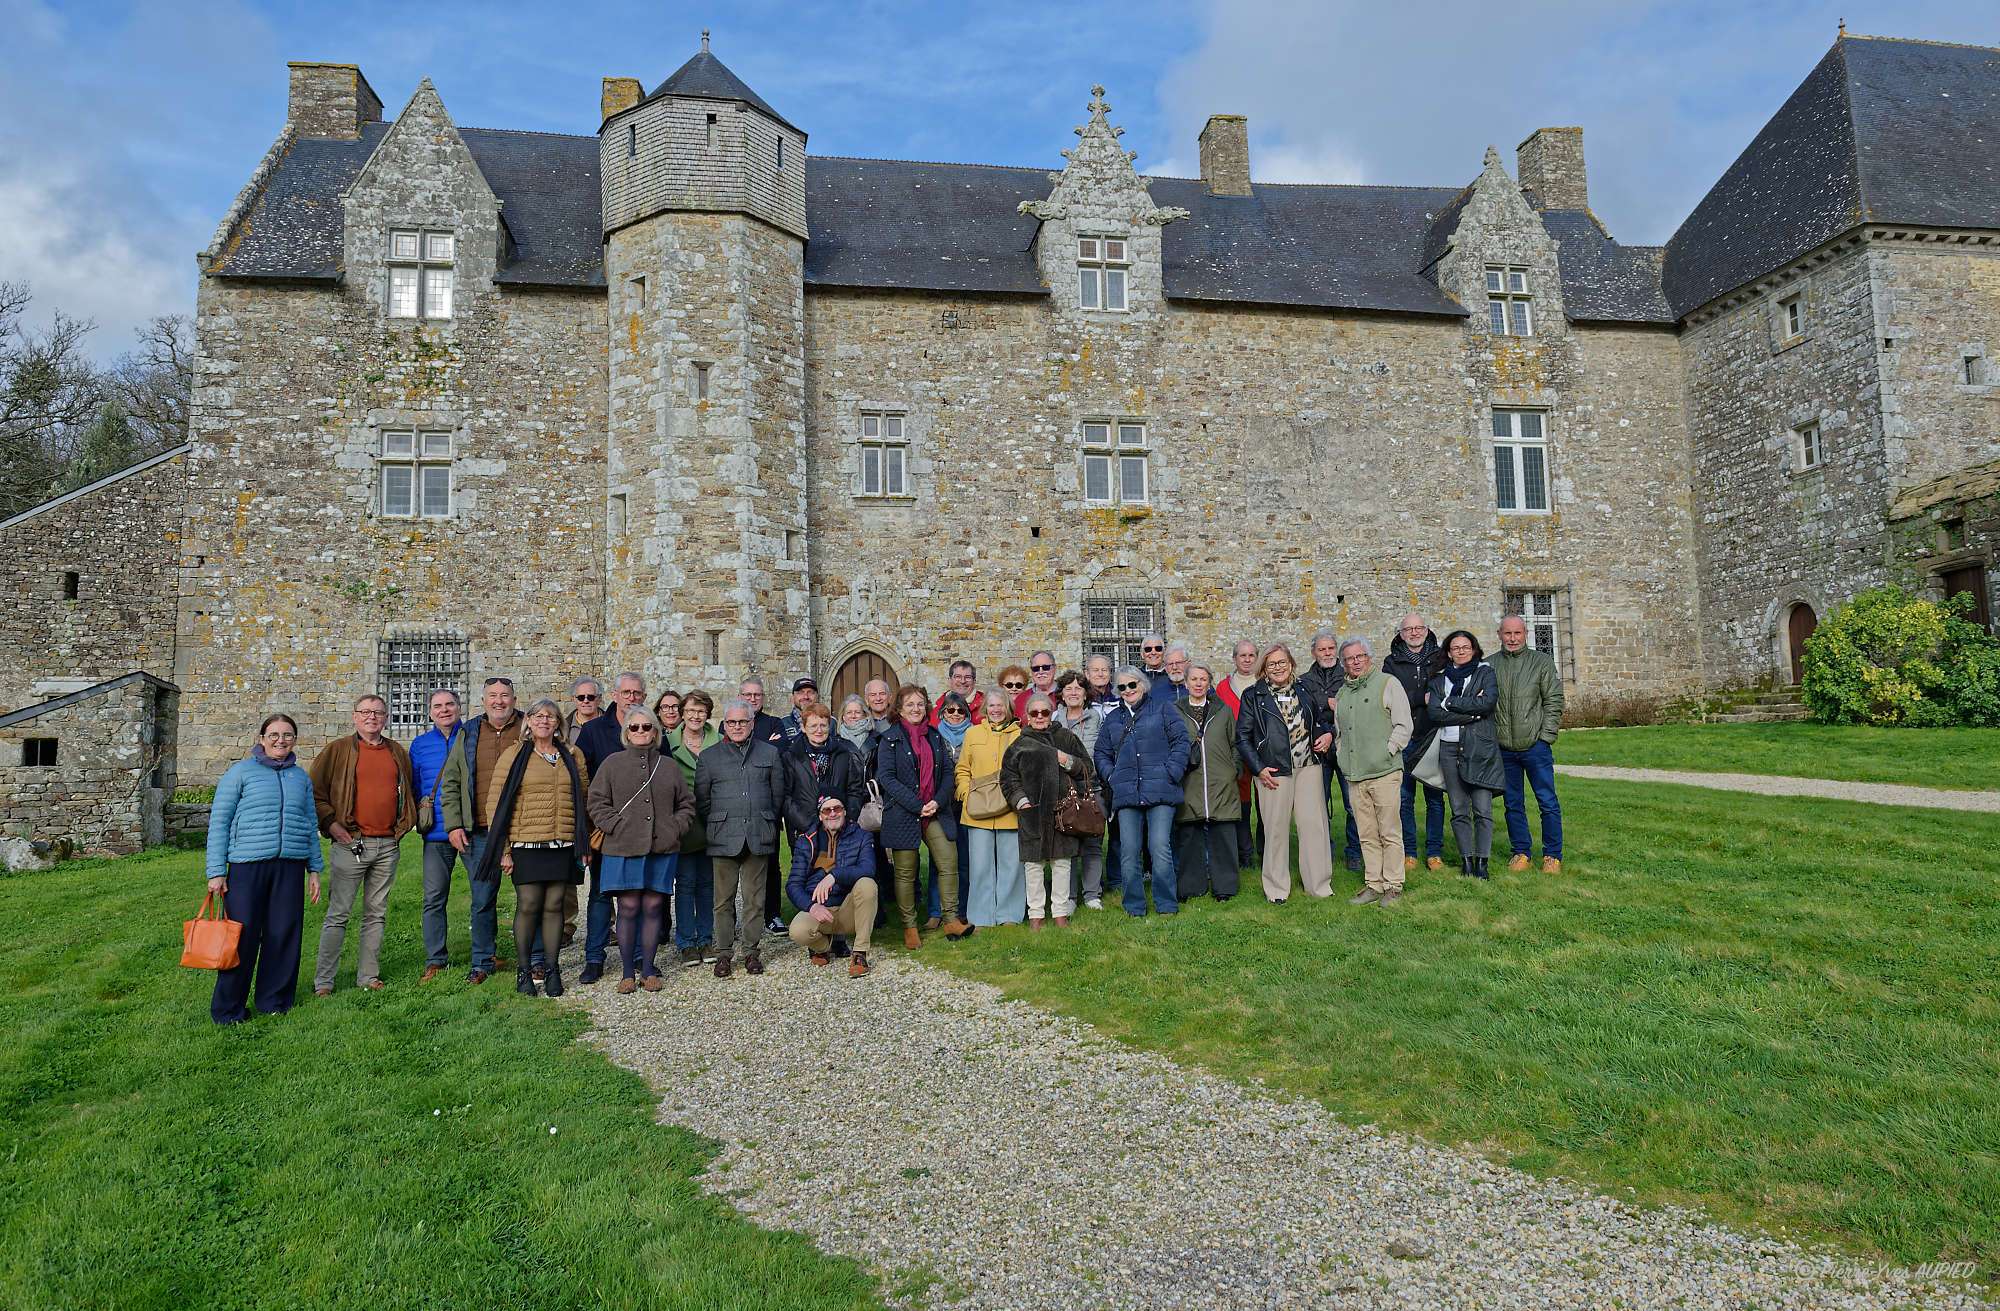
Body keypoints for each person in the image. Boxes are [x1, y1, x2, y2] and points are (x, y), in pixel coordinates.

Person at [205, 713, 324, 1024]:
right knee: (241, 937)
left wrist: (314, 868)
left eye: (287, 735)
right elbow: (219, 822)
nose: (280, 740)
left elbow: (310, 825)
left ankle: (275, 1001)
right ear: (261, 739)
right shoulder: (240, 774)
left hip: (290, 867)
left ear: (295, 740)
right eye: (274, 734)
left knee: (283, 934)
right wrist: (216, 872)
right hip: (247, 867)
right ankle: (229, 1010)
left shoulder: (300, 778)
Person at [475, 699, 590, 996]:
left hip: (562, 840)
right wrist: (504, 849)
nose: (544, 721)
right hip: (526, 840)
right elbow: (496, 803)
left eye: (550, 716)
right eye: (538, 716)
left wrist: (583, 840)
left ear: (557, 723)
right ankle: (524, 970)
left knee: (555, 906)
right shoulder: (514, 755)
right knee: (528, 904)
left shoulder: (571, 755)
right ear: (529, 721)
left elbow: (584, 798)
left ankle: (552, 968)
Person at [308, 693, 419, 996]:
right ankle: (324, 982)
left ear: (386, 718)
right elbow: (314, 793)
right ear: (355, 716)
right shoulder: (338, 750)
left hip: (386, 846)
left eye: (378, 713)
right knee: (338, 914)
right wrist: (332, 825)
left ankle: (368, 975)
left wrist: (400, 829)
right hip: (350, 844)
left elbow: (408, 792)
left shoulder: (397, 751)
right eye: (365, 712)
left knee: (376, 914)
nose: (372, 717)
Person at [588, 706, 695, 992]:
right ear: (626, 732)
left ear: (655, 732)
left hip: (661, 847)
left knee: (652, 906)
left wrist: (674, 827)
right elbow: (596, 801)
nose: (640, 732)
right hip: (622, 846)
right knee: (629, 905)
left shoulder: (668, 766)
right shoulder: (612, 763)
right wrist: (615, 825)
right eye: (634, 727)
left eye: (646, 727)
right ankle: (626, 973)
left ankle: (647, 969)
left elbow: (686, 804)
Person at [438, 676, 523, 983]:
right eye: (493, 696)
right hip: (481, 831)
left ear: (514, 699)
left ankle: (534, 958)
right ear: (483, 700)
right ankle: (483, 961)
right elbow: (451, 781)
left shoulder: (527, 728)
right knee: (482, 898)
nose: (499, 701)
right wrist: (454, 824)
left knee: (529, 897)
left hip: (522, 831)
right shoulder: (469, 732)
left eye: (504, 695)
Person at [1235, 644, 1335, 903]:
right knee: (1276, 830)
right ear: (1264, 669)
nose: (1278, 667)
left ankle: (1319, 885)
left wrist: (1326, 734)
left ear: (1291, 663)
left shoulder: (1305, 689)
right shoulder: (1253, 695)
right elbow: (1242, 737)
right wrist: (1258, 768)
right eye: (1272, 664)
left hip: (1308, 767)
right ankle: (1276, 888)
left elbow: (1321, 720)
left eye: (1282, 662)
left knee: (1314, 827)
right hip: (1273, 771)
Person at [875, 685, 972, 947]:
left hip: (935, 810)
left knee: (948, 862)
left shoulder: (934, 736)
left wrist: (937, 801)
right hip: (905, 813)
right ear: (899, 709)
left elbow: (949, 774)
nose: (916, 709)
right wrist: (917, 805)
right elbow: (886, 778)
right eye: (910, 705)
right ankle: (909, 926)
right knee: (906, 871)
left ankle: (951, 918)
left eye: (920, 704)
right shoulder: (890, 739)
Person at [695, 699, 786, 978]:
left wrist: (764, 820)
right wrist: (721, 821)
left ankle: (751, 952)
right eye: (732, 722)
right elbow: (702, 800)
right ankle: (723, 953)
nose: (737, 727)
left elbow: (777, 796)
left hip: (758, 834)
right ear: (725, 724)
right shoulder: (709, 757)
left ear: (752, 724)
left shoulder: (769, 754)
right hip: (723, 837)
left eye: (743, 722)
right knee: (722, 901)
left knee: (754, 900)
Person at [1093, 667, 1190, 918]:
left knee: (1159, 847)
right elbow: (1101, 753)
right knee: (1129, 850)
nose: (1128, 691)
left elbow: (1181, 741)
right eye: (1122, 687)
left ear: (1143, 685)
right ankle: (1134, 905)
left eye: (1132, 685)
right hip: (1127, 793)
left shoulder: (1163, 709)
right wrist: (1112, 775)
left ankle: (1166, 903)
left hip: (1160, 788)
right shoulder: (1113, 719)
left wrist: (1171, 771)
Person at [575, 671, 649, 984]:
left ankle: (636, 957)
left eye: (637, 693)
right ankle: (594, 958)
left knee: (637, 895)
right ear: (615, 696)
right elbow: (582, 785)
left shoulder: (649, 729)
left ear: (643, 697)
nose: (632, 698)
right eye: (626, 692)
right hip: (605, 830)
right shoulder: (593, 731)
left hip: (642, 831)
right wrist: (591, 829)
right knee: (601, 896)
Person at [1003, 691, 1094, 928]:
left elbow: (1087, 769)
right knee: (1033, 865)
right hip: (1032, 813)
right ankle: (1036, 915)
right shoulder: (1019, 744)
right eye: (1035, 713)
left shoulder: (1066, 737)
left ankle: (1060, 912)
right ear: (1027, 716)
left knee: (1062, 863)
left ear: (1051, 713)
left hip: (1063, 812)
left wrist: (1067, 761)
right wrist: (1020, 800)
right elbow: (1009, 778)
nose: (1040, 716)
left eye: (1045, 712)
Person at [1333, 638, 1413, 906]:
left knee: (1389, 830)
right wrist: (1341, 757)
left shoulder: (1387, 684)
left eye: (1359, 656)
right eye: (1349, 658)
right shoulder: (1343, 693)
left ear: (1369, 657)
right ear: (1343, 662)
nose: (1355, 662)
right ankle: (1374, 884)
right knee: (1366, 833)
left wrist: (1387, 751)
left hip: (1384, 772)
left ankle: (1393, 885)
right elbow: (1340, 733)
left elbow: (1404, 725)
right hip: (1355, 776)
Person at [1427, 630, 1504, 879]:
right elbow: (1435, 714)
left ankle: (1482, 862)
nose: (1461, 651)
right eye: (1456, 647)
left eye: (1466, 647)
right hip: (1449, 749)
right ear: (1448, 653)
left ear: (1474, 649)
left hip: (1479, 748)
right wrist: (1471, 710)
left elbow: (1488, 704)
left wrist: (1448, 702)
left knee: (1482, 808)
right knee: (1459, 808)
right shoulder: (1439, 680)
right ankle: (1467, 861)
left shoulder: (1485, 672)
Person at [1494, 615, 1566, 873]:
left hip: (1535, 746)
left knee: (1547, 801)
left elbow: (1554, 701)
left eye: (1517, 634)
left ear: (1525, 634)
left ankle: (1552, 855)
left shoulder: (1541, 662)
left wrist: (1545, 737)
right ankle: (1521, 852)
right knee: (1512, 803)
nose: (1512, 639)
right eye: (1507, 634)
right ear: (1499, 634)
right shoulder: (1490, 665)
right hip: (1504, 749)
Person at [787, 795, 878, 977]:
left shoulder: (861, 836)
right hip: (820, 910)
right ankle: (822, 947)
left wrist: (835, 876)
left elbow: (868, 868)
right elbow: (793, 885)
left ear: (844, 812)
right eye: (827, 810)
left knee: (868, 884)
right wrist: (811, 907)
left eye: (837, 809)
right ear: (820, 815)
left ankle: (859, 954)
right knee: (797, 931)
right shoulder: (807, 841)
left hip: (848, 909)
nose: (833, 814)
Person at [1384, 613, 1448, 874]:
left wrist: (1425, 698)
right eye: (1408, 629)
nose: (1414, 633)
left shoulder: (1442, 659)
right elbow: (1389, 698)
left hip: (1434, 736)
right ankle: (1409, 852)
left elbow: (1445, 693)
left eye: (1419, 628)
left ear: (1427, 630)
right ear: (1400, 634)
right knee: (1405, 799)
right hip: (1406, 738)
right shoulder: (1392, 662)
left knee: (1435, 798)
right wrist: (1420, 697)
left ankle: (1434, 853)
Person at [409, 688, 465, 983]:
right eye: (438, 706)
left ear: (458, 707)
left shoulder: (470, 736)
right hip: (435, 835)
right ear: (430, 712)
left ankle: (485, 952)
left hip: (468, 829)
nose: (444, 710)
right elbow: (416, 786)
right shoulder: (419, 745)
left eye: (450, 704)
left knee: (483, 893)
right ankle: (435, 959)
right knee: (433, 898)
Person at [1298, 631, 1365, 872]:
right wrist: (1327, 704)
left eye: (1330, 648)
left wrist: (1328, 713)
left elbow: (1353, 708)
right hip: (1319, 749)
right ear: (1313, 652)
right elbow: (1308, 711)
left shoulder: (1349, 675)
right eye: (1322, 649)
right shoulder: (1303, 681)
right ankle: (1323, 850)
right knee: (1318, 804)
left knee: (1353, 804)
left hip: (1347, 747)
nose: (1327, 653)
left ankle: (1355, 851)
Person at [957, 689, 1023, 927]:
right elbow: (963, 768)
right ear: (985, 708)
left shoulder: (1019, 735)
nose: (996, 710)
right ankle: (981, 917)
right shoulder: (972, 733)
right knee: (980, 866)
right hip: (977, 811)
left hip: (1009, 810)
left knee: (1011, 864)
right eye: (992, 705)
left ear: (1008, 708)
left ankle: (1009, 916)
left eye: (1001, 705)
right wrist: (965, 794)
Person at [1175, 665, 1241, 901]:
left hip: (1220, 781)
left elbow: (1235, 743)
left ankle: (1225, 887)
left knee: (1223, 836)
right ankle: (1192, 886)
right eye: (1194, 679)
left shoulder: (1222, 710)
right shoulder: (1175, 710)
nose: (1198, 683)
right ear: (1186, 683)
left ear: (1209, 683)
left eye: (1203, 679)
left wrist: (1232, 770)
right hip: (1189, 781)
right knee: (1190, 837)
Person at [668, 690, 719, 967]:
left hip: (713, 820)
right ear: (682, 713)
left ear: (707, 714)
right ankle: (687, 942)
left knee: (708, 884)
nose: (695, 716)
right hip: (684, 823)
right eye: (691, 711)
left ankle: (706, 938)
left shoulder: (719, 741)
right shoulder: (668, 743)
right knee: (685, 884)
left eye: (701, 711)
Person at [1050, 670, 1106, 908]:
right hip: (1063, 789)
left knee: (1092, 842)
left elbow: (1104, 750)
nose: (1073, 693)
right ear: (1061, 694)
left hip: (1092, 787)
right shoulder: (1054, 719)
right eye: (1068, 688)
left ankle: (1092, 894)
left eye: (1078, 688)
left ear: (1085, 693)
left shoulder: (1097, 717)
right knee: (1068, 845)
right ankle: (1070, 896)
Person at [782, 703, 869, 839]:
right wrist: (806, 825)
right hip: (804, 830)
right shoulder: (792, 756)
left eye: (823, 725)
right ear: (803, 728)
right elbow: (786, 797)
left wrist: (847, 820)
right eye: (813, 726)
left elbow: (854, 790)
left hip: (840, 827)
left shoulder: (843, 753)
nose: (819, 730)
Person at [1212, 638, 1261, 869]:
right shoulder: (1223, 687)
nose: (1247, 659)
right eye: (1243, 655)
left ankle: (1266, 850)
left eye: (1251, 655)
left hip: (1262, 749)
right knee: (1242, 803)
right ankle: (1245, 854)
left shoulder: (1264, 682)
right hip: (1236, 750)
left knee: (1266, 803)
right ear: (1234, 658)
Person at [931, 691, 975, 924]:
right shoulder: (935, 735)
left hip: (967, 803)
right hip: (942, 803)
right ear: (942, 712)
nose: (955, 714)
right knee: (940, 858)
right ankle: (935, 911)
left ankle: (963, 908)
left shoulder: (975, 734)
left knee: (965, 859)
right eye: (951, 710)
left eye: (961, 710)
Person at [934, 659, 985, 724]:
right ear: (950, 680)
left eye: (968, 677)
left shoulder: (986, 707)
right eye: (958, 676)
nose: (962, 681)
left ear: (974, 681)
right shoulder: (938, 709)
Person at [1013, 650, 1058, 719]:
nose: (1041, 672)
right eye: (1036, 668)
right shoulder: (1021, 700)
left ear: (1054, 668)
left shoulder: (1067, 695)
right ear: (1031, 671)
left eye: (1045, 667)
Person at [781, 677, 819, 742]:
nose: (806, 696)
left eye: (810, 692)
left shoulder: (831, 722)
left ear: (817, 696)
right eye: (801, 692)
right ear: (792, 697)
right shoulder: (783, 723)